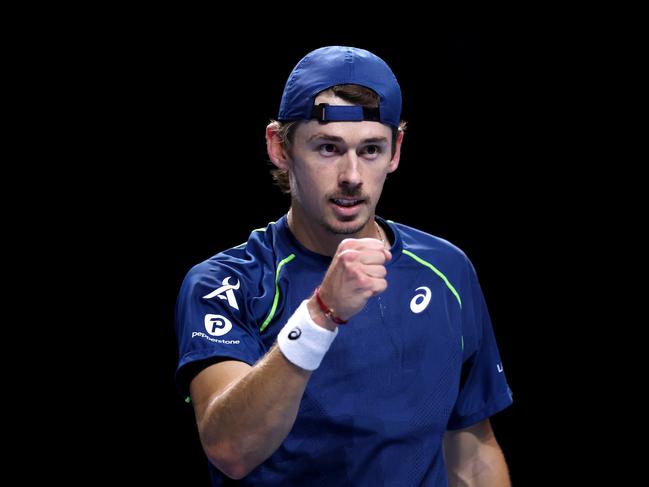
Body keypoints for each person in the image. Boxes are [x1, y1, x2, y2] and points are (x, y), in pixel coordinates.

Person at [175, 45, 513, 486]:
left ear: (396, 152)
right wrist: (320, 316)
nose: (352, 175)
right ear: (279, 147)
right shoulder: (225, 283)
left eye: (371, 149)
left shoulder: (449, 270)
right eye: (329, 148)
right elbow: (231, 450)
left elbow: (471, 454)